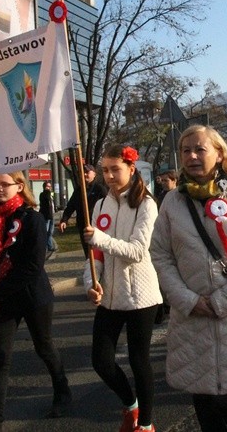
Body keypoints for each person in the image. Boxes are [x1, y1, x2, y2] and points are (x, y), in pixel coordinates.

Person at [150, 125, 227, 432]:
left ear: (219, 154)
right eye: (185, 150)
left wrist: (225, 299)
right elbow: (160, 254)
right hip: (191, 314)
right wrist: (187, 300)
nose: (191, 156)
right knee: (202, 398)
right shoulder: (171, 203)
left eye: (199, 149)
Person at [0, 172, 71, 431]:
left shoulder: (32, 218)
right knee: (1, 356)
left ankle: (62, 390)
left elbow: (32, 266)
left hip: (33, 296)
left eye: (4, 184)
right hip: (4, 298)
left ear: (19, 186)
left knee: (43, 346)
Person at [83, 145, 162, 432]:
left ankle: (146, 424)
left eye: (115, 169)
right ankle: (131, 406)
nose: (109, 175)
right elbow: (96, 255)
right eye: (105, 170)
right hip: (110, 297)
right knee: (101, 361)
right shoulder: (101, 204)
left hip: (141, 296)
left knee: (139, 361)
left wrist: (100, 239)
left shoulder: (146, 204)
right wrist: (90, 283)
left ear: (131, 169)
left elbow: (138, 251)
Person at [59, 164, 107, 250]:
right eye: (83, 172)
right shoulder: (78, 190)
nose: (84, 174)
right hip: (83, 226)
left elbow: (108, 206)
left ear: (94, 174)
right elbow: (70, 206)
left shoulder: (99, 189)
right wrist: (64, 220)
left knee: (97, 252)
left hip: (97, 226)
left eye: (87, 172)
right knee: (88, 252)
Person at [39, 180, 57, 254]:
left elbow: (52, 203)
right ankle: (44, 247)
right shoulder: (43, 194)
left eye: (50, 186)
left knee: (50, 232)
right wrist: (47, 191)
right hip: (46, 216)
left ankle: (49, 246)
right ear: (44, 187)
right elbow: (45, 199)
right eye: (47, 186)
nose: (49, 188)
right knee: (45, 232)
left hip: (51, 215)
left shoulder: (50, 195)